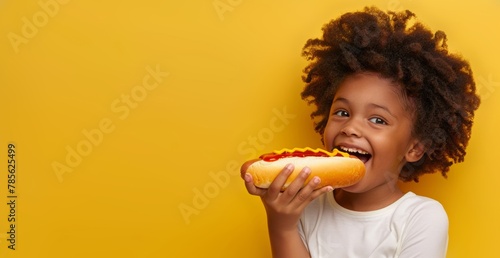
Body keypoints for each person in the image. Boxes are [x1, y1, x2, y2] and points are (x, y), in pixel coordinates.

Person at [241, 6, 480, 258]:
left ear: (414, 148)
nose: (351, 128)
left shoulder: (421, 217)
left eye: (377, 119)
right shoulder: (306, 206)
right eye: (342, 113)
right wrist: (282, 226)